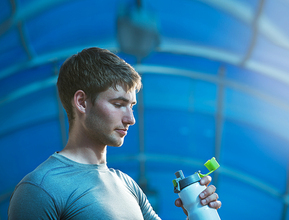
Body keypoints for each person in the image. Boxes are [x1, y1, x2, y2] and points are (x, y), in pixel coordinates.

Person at [8, 47, 221, 219]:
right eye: (118, 104)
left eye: (132, 106)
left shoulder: (127, 185)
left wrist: (197, 212)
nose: (131, 119)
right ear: (82, 102)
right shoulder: (40, 189)